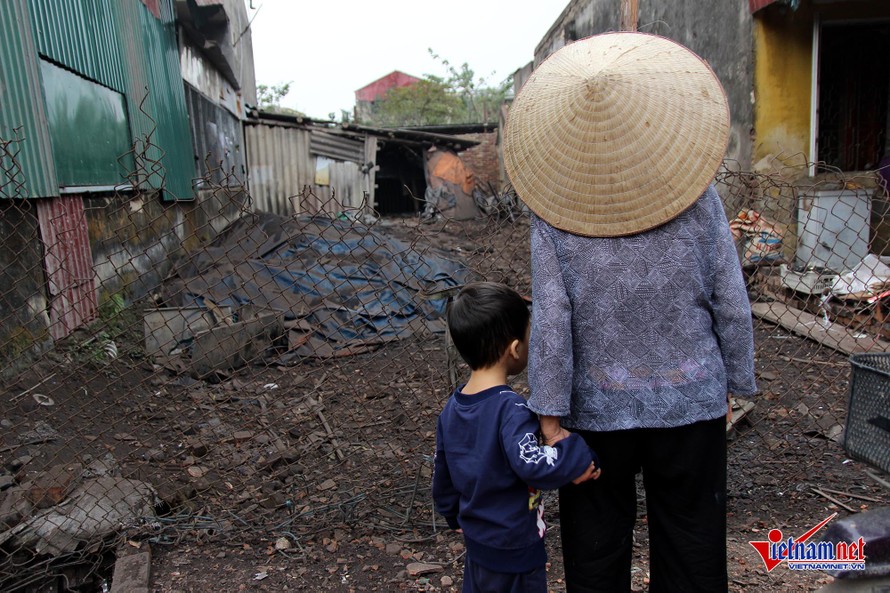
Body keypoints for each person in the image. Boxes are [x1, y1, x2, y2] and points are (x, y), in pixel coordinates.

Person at [502, 33, 758, 592]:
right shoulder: (698, 196)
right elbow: (728, 295)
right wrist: (736, 381)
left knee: (594, 555)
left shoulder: (554, 213)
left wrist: (549, 416)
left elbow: (552, 317)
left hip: (595, 414)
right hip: (691, 403)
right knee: (692, 544)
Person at [432, 281, 601, 593]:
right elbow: (533, 464)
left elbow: (442, 472)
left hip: (478, 545)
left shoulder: (452, 409)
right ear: (514, 349)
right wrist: (576, 454)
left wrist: (452, 514)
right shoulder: (511, 409)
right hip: (514, 548)